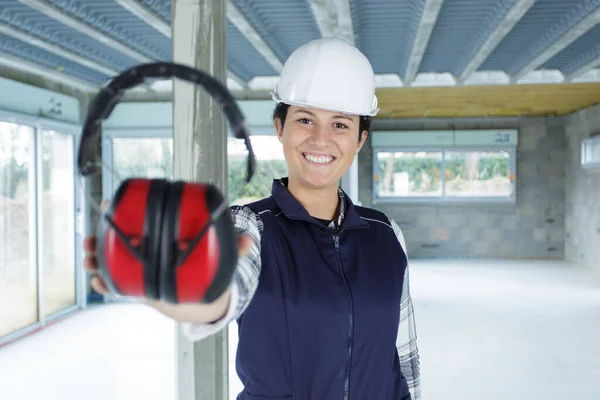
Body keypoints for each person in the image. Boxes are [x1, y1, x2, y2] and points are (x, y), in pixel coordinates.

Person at [84, 37, 421, 399]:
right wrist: (163, 282)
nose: (321, 139)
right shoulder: (250, 227)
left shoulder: (386, 233)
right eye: (305, 119)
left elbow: (403, 355)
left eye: (340, 124)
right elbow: (218, 295)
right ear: (280, 128)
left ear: (360, 139)